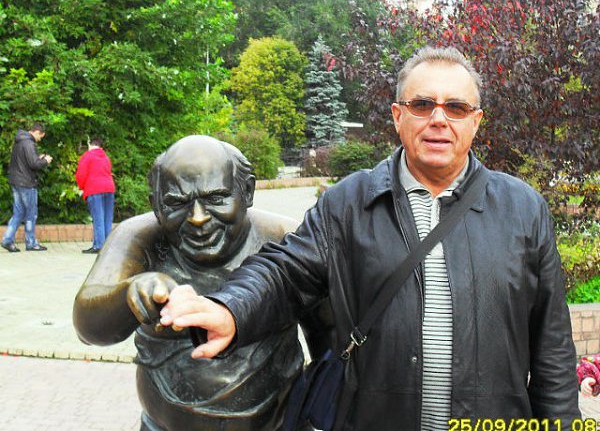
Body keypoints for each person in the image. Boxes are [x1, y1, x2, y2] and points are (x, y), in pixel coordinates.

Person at [159, 47, 581, 430]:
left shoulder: (523, 209)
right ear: (398, 115)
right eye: (422, 105)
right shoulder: (349, 203)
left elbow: (553, 349)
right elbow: (285, 272)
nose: (438, 119)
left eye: (456, 107)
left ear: (475, 121)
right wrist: (230, 308)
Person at [73, 135, 329, 431]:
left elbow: (330, 338)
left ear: (247, 191)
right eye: (176, 203)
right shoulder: (139, 238)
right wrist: (128, 294)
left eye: (216, 198)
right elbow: (89, 328)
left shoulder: (283, 237)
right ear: (156, 205)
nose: (197, 218)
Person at [1, 123, 52, 252]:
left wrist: (38, 158)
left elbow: (26, 161)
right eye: (40, 136)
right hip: (27, 183)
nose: (39, 139)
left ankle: (7, 240)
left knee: (18, 213)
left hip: (16, 181)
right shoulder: (29, 143)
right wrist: (45, 160)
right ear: (37, 132)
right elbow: (34, 164)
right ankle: (31, 243)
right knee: (31, 214)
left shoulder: (20, 141)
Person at [75, 136, 115, 254]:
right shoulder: (106, 157)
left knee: (98, 219)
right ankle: (107, 246)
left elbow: (81, 175)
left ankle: (98, 246)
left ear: (90, 144)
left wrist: (82, 187)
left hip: (94, 189)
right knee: (107, 219)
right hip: (109, 188)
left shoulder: (87, 156)